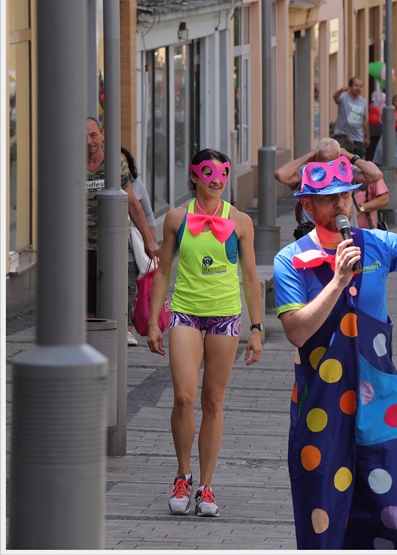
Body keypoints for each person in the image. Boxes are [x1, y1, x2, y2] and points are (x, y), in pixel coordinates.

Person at [273, 157, 397, 549]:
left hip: (380, 406)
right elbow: (296, 331)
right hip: (321, 408)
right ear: (308, 206)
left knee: (391, 511)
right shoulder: (290, 260)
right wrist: (338, 281)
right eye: (328, 199)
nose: (340, 205)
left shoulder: (379, 243)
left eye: (345, 195)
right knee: (322, 518)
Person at [146, 149, 264, 518]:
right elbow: (163, 270)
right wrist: (153, 321)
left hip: (225, 319)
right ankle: (182, 475)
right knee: (183, 396)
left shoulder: (241, 221)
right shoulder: (176, 218)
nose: (216, 179)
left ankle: (207, 486)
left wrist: (256, 328)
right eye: (208, 172)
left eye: (222, 172)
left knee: (213, 401)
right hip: (184, 315)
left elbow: (249, 277)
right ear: (194, 176)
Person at [86, 117, 159, 318]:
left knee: (113, 303)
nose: (89, 141)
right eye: (84, 137)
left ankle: (112, 342)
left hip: (112, 246)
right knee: (86, 306)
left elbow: (133, 203)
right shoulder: (72, 164)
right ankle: (87, 346)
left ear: (102, 135)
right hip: (81, 247)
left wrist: (149, 240)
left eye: (93, 135)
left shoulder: (115, 164)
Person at [275, 137, 383, 236]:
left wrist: (350, 157)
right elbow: (281, 175)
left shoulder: (346, 169)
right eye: (324, 163)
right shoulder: (308, 170)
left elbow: (376, 175)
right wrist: (307, 157)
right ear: (316, 159)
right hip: (313, 235)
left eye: (333, 162)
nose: (329, 167)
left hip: (344, 232)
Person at [122, 146, 156, 347]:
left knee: (131, 289)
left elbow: (149, 213)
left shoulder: (137, 185)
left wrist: (150, 240)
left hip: (132, 247)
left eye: (124, 162)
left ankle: (127, 330)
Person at [332, 77, 369, 159]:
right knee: (340, 160)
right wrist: (341, 90)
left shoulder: (363, 101)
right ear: (350, 86)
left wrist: (367, 136)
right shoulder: (343, 97)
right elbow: (335, 97)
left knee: (357, 162)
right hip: (342, 136)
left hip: (357, 138)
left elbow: (364, 119)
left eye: (360, 86)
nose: (358, 88)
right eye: (356, 85)